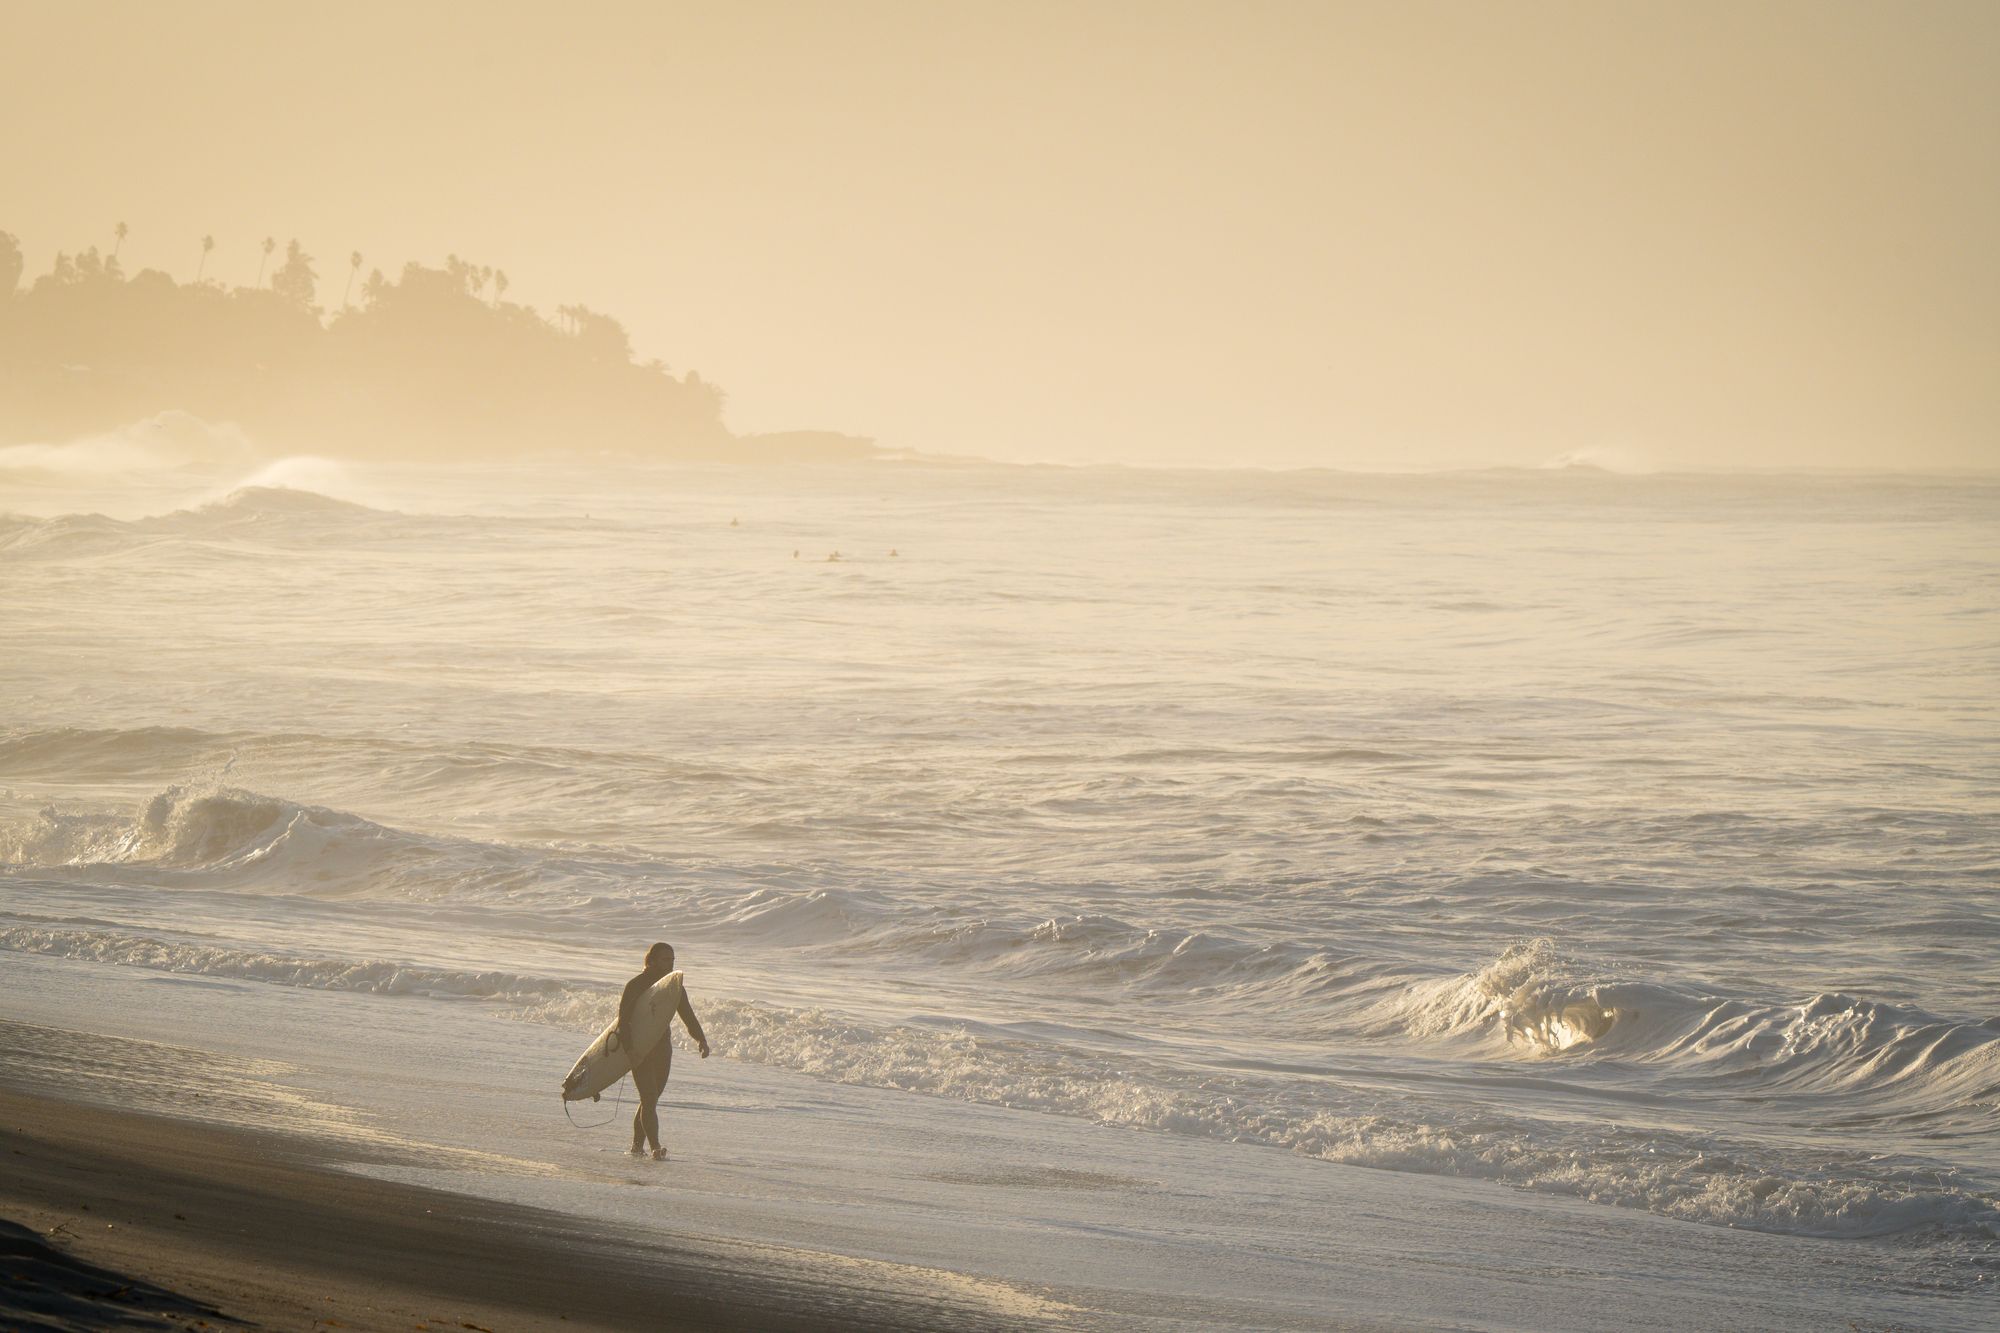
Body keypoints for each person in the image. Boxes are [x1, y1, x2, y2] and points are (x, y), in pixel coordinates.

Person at [615, 942, 709, 1159]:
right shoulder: (636, 985)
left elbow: (687, 1015)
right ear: (652, 960)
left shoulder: (674, 987)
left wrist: (701, 1039)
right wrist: (630, 1051)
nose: (670, 964)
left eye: (672, 960)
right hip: (640, 1048)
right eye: (665, 959)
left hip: (662, 1049)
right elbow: (623, 1023)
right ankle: (656, 1147)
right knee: (648, 1097)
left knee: (651, 1100)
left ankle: (637, 1146)